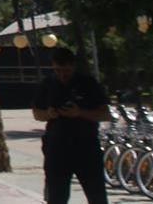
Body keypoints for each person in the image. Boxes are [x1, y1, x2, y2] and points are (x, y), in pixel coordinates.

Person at [32, 48, 109, 204]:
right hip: (57, 149)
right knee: (56, 197)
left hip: (86, 148)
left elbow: (104, 114)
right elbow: (36, 113)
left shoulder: (88, 83)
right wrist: (49, 114)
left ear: (73, 66)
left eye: (66, 70)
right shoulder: (48, 84)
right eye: (58, 70)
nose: (62, 74)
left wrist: (80, 113)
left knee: (97, 196)